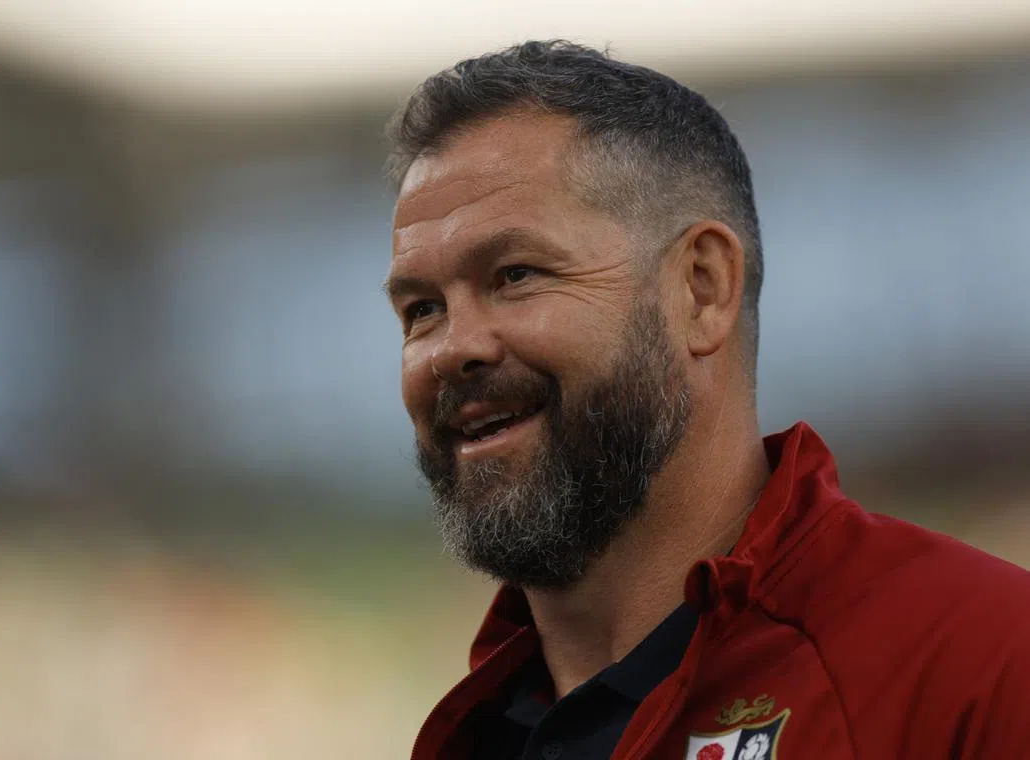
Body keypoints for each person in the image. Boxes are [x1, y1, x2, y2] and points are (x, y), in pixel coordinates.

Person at [381, 40, 1030, 760]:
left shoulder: (983, 671)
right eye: (421, 310)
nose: (449, 349)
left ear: (702, 289)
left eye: (515, 275)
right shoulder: (476, 735)